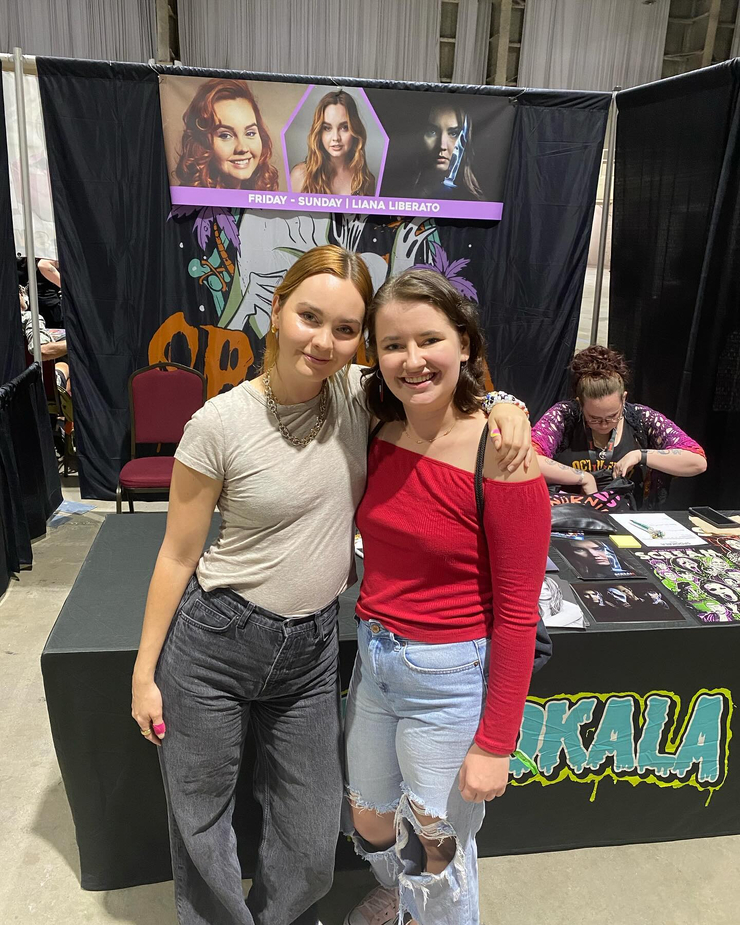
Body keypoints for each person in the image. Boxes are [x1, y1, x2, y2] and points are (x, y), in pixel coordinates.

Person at [131, 246, 531, 925]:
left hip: (314, 646)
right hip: (217, 639)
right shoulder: (218, 423)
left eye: (346, 329)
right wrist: (144, 672)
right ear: (277, 310)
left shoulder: (360, 397)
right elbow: (177, 554)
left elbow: (437, 378)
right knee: (201, 820)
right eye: (309, 317)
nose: (323, 341)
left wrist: (503, 403)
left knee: (315, 833)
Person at [342, 269, 550, 925]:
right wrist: (505, 398)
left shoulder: (502, 451)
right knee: (371, 819)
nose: (412, 359)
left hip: (449, 675)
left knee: (440, 853)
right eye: (393, 344)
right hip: (375, 661)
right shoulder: (378, 426)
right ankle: (403, 896)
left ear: (464, 342)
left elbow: (517, 612)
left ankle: (428, 906)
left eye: (429, 339)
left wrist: (496, 743)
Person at [532, 345, 707, 508]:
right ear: (580, 404)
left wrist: (640, 455)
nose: (604, 424)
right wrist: (584, 478)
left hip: (626, 520)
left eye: (612, 416)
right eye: (594, 418)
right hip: (570, 516)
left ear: (623, 399)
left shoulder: (641, 418)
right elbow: (529, 458)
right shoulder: (564, 416)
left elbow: (697, 462)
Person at [175, 78, 279, 190]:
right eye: (225, 135)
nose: (242, 148)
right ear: (202, 143)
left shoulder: (264, 193)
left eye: (250, 133)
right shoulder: (188, 199)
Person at [290, 90, 376, 196]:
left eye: (344, 127)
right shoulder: (300, 176)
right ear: (319, 132)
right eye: (327, 128)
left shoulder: (367, 180)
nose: (336, 138)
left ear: (355, 130)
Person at [411, 102, 482, 201]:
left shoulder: (478, 204)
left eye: (454, 133)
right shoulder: (398, 193)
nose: (442, 145)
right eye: (432, 132)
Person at [19, 285, 70, 392]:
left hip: (9, 383)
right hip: (38, 385)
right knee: (70, 363)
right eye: (22, 292)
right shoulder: (30, 317)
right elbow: (42, 351)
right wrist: (78, 343)